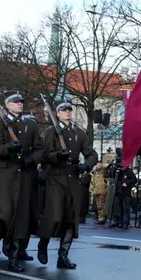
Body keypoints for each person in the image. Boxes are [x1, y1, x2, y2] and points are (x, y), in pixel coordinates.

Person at [0, 91, 43, 272]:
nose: (20, 104)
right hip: (5, 174)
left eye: (21, 101)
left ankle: (14, 254)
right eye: (15, 102)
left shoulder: (30, 124)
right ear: (7, 105)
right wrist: (9, 148)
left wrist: (31, 160)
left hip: (23, 173)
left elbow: (39, 148)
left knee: (21, 215)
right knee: (3, 212)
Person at [37, 98, 99, 269]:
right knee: (54, 216)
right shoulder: (51, 132)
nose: (68, 112)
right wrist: (58, 156)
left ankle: (63, 256)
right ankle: (43, 245)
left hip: (72, 177)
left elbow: (92, 154)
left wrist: (85, 165)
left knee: (71, 219)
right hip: (55, 177)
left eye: (70, 110)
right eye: (64, 110)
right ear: (57, 113)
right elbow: (45, 154)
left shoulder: (79, 133)